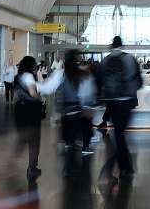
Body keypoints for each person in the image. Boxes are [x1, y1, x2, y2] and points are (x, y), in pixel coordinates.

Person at [38, 49, 96, 174]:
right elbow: (88, 95)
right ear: (78, 60)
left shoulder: (60, 74)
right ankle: (81, 168)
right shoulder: (85, 74)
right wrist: (89, 108)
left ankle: (68, 168)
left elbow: (47, 88)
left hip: (66, 112)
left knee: (68, 140)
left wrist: (32, 85)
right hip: (80, 112)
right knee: (79, 137)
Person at [96, 36, 142, 183]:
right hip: (126, 103)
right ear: (122, 45)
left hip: (113, 103)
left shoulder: (105, 60)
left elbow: (99, 82)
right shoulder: (130, 59)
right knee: (120, 135)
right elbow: (139, 82)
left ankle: (125, 167)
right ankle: (124, 168)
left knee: (119, 134)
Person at [12, 56, 46, 178]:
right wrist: (40, 98)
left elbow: (15, 96)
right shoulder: (29, 76)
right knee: (34, 141)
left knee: (22, 138)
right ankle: (32, 168)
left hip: (19, 110)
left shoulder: (17, 77)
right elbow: (32, 93)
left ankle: (12, 163)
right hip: (31, 110)